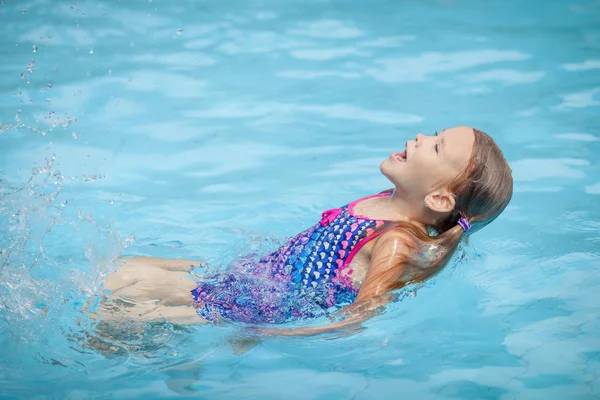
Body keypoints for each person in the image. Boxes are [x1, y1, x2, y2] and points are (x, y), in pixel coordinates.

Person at [98, 126, 513, 336]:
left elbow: (362, 314)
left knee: (119, 305)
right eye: (435, 133)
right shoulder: (390, 197)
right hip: (256, 279)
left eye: (437, 146)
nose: (422, 137)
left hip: (260, 309)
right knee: (128, 269)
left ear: (440, 200)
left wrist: (286, 335)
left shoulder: (396, 241)